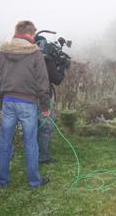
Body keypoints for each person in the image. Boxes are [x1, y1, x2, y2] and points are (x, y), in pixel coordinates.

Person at [0, 21, 50, 188]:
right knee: (30, 142)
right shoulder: (35, 53)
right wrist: (45, 106)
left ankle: (2, 181)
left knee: (4, 142)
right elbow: (42, 83)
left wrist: (0, 102)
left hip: (8, 102)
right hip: (28, 103)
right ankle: (34, 181)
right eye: (34, 35)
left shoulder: (2, 53)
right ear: (30, 35)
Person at [36, 36, 68, 165]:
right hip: (43, 97)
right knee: (45, 127)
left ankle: (34, 154)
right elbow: (57, 79)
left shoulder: (28, 58)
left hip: (27, 97)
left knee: (34, 127)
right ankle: (43, 156)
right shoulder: (46, 59)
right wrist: (61, 66)